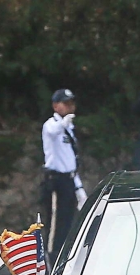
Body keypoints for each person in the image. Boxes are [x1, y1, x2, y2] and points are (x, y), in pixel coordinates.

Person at [40, 89, 86, 257]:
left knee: (67, 223)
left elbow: (70, 161)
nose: (69, 106)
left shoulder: (69, 128)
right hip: (55, 180)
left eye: (71, 103)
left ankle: (60, 259)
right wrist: (64, 123)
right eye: (65, 103)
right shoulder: (52, 124)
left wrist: (78, 187)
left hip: (69, 180)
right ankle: (48, 264)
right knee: (54, 225)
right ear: (55, 105)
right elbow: (53, 131)